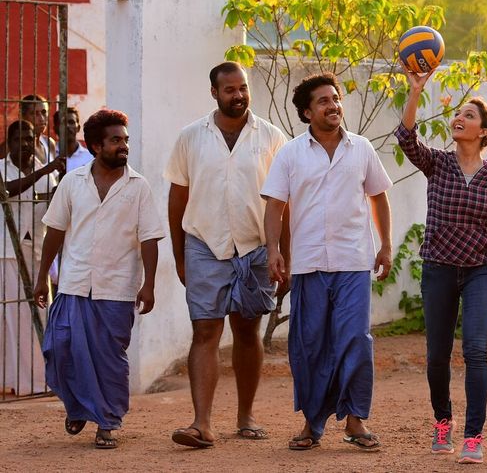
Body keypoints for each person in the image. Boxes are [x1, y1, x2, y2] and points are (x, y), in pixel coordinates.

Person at [261, 72, 393, 453]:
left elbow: (379, 197)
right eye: (323, 101)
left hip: (353, 262)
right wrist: (273, 250)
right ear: (307, 112)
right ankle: (312, 422)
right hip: (308, 265)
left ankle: (355, 419)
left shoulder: (362, 148)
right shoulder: (290, 154)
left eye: (335, 99)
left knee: (355, 339)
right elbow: (275, 206)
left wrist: (385, 245)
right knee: (310, 344)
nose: (333, 105)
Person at [395, 66, 487, 464]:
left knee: (476, 351)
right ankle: (442, 421)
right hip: (439, 269)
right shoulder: (438, 164)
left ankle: (473, 437)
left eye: (469, 115)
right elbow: (406, 139)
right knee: (437, 355)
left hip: (480, 270)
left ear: (484, 131)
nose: (459, 118)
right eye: (458, 113)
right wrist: (415, 90)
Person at [166, 62, 288, 448]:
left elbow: (283, 201)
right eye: (230, 89)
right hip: (204, 244)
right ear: (214, 93)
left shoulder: (271, 137)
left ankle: (245, 416)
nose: (238, 95)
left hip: (255, 247)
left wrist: (283, 253)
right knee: (205, 330)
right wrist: (180, 256)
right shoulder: (191, 137)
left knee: (248, 331)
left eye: (243, 88)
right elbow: (177, 199)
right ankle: (201, 424)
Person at [32, 109, 163, 449]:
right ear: (95, 146)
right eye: (115, 140)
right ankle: (77, 406)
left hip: (117, 288)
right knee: (59, 349)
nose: (124, 146)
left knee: (108, 361)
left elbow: (149, 238)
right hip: (73, 284)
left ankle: (106, 422)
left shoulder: (138, 187)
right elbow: (54, 231)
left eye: (125, 140)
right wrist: (42, 276)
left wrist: (149, 284)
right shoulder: (72, 182)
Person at [0, 120, 63, 396]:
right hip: (8, 253)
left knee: (40, 315)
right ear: (9, 142)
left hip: (37, 253)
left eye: (29, 138)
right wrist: (46, 170)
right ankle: (13, 380)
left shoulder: (46, 172)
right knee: (13, 317)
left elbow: (52, 206)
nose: (25, 144)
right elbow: (6, 191)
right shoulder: (2, 168)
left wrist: (58, 188)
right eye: (19, 139)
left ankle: (39, 381)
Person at [0, 95, 58, 164]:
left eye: (44, 112)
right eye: (34, 113)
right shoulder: (9, 147)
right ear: (21, 116)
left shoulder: (49, 143)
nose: (41, 118)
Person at [55, 106, 94, 173]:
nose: (67, 126)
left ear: (78, 128)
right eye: (63, 122)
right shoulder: (50, 155)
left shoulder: (90, 157)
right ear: (55, 129)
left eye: (71, 122)